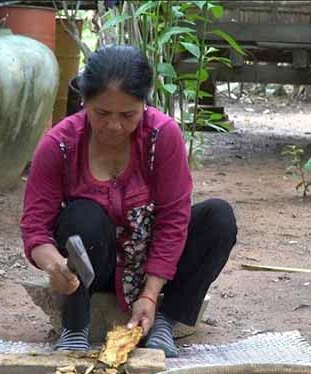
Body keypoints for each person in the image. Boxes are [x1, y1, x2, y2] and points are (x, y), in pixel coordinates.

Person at [20, 45, 236, 357]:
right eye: (102, 113)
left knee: (218, 218)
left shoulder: (163, 136)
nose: (114, 126)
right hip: (99, 267)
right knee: (82, 217)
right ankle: (75, 326)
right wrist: (55, 265)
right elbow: (36, 228)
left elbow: (173, 219)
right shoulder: (60, 145)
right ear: (85, 102)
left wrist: (149, 295)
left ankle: (165, 320)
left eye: (128, 115)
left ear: (144, 104)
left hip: (152, 263)